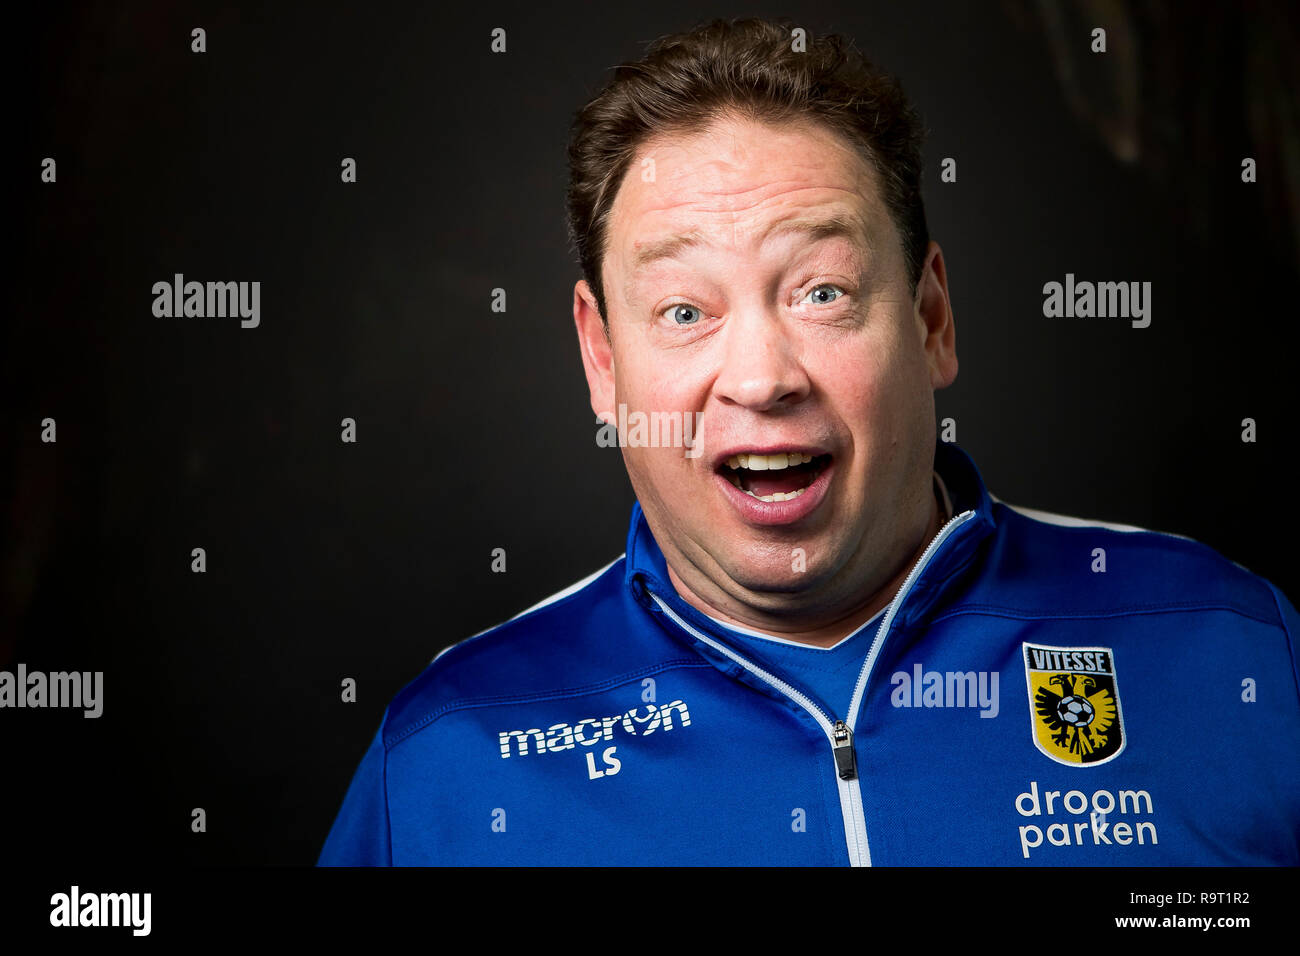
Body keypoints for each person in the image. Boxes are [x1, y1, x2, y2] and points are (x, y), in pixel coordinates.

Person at [318, 16, 1299, 865]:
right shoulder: (447, 756)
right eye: (682, 308)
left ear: (930, 319)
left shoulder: (1232, 649)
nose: (760, 376)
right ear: (602, 361)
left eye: (822, 291)